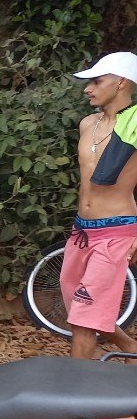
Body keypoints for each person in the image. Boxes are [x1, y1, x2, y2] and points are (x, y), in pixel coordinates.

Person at [60, 51, 137, 360]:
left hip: (116, 231)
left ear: (121, 82)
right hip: (81, 232)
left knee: (83, 318)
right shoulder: (87, 123)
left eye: (96, 81)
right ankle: (129, 346)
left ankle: (74, 400)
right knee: (77, 304)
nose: (88, 89)